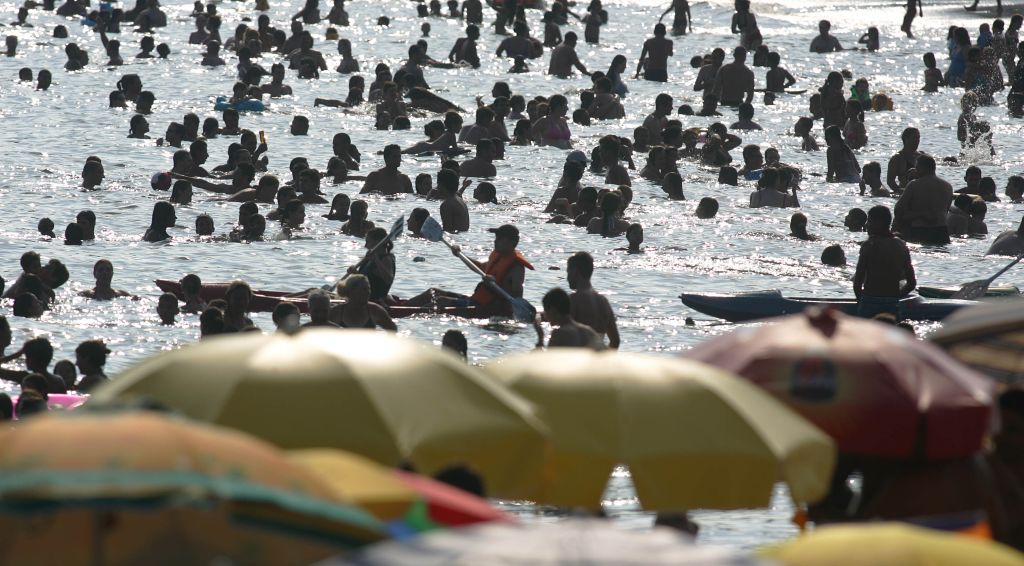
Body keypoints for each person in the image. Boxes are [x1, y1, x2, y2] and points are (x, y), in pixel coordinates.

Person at [406, 224, 533, 317]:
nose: (495, 241)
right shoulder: (499, 257)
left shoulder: (516, 267)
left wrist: (494, 285)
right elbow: (479, 268)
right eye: (496, 237)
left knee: (439, 301)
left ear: (512, 242)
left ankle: (403, 315)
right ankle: (404, 307)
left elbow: (517, 296)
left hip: (490, 308)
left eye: (500, 238)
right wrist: (460, 254)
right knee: (433, 292)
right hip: (477, 301)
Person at [854, 205, 916, 319]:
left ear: (879, 223)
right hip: (892, 303)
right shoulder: (901, 246)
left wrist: (861, 302)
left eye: (870, 220)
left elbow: (857, 283)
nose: (866, 224)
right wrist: (895, 297)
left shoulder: (868, 246)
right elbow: (911, 283)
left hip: (869, 301)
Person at [893, 155, 953, 245]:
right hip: (941, 231)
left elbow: (898, 209)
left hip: (920, 230)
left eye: (917, 167)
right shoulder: (948, 186)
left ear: (923, 167)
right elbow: (946, 210)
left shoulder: (914, 185)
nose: (916, 170)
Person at [567, 251, 620, 349]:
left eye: (568, 272)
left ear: (575, 271)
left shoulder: (573, 300)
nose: (567, 277)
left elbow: (567, 338)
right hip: (598, 361)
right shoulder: (603, 301)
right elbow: (615, 341)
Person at [533, 287, 605, 350]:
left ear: (553, 310)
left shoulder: (559, 334)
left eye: (546, 311)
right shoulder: (588, 331)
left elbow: (546, 362)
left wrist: (540, 338)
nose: (545, 315)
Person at [331, 275, 397, 330]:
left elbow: (393, 331)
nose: (368, 292)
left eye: (369, 289)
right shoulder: (336, 312)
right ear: (351, 292)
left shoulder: (376, 310)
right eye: (364, 289)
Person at [352, 227, 397, 302]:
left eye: (368, 242)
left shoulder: (386, 259)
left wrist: (376, 259)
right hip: (361, 297)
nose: (365, 246)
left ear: (378, 243)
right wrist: (354, 273)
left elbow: (388, 279)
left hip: (374, 300)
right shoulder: (369, 256)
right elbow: (364, 278)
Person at [886, 127, 923, 192]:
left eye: (918, 138)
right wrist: (900, 191)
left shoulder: (922, 156)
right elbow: (890, 181)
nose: (918, 141)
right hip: (905, 191)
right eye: (915, 138)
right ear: (906, 139)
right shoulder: (897, 158)